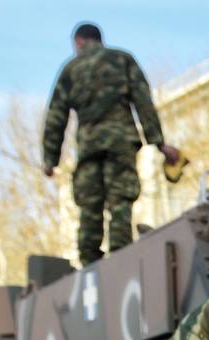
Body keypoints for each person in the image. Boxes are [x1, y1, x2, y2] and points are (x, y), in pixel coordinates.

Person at [42, 22, 182, 267]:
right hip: (121, 142)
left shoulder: (70, 70)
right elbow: (142, 101)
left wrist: (50, 159)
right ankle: (120, 257)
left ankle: (89, 265)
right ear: (98, 39)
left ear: (78, 42)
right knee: (120, 201)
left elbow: (56, 116)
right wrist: (158, 142)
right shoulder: (122, 59)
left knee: (90, 205)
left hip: (88, 147)